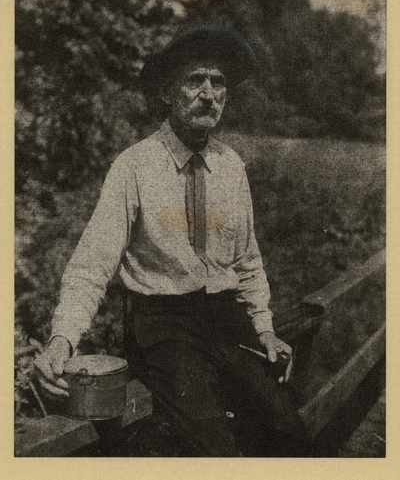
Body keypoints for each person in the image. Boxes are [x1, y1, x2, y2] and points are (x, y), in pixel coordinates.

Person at [35, 26, 310, 456]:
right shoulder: (135, 166)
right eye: (193, 80)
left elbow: (248, 261)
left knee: (290, 431)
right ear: (167, 92)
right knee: (214, 449)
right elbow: (91, 266)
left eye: (217, 82)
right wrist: (61, 340)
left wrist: (266, 329)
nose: (207, 93)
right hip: (163, 327)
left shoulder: (231, 166)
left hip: (225, 320)